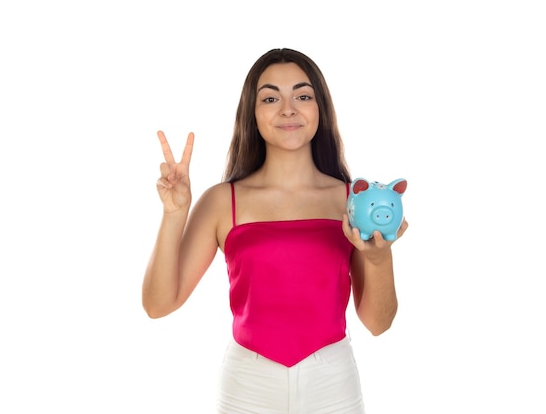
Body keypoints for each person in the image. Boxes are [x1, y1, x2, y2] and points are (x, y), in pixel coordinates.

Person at [142, 48, 408, 414]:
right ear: (252, 113)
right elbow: (158, 305)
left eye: (302, 95)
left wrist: (379, 259)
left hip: (333, 385)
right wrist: (175, 213)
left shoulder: (351, 200)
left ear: (321, 109)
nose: (288, 109)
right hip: (246, 389)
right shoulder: (222, 201)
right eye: (270, 97)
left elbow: (378, 323)